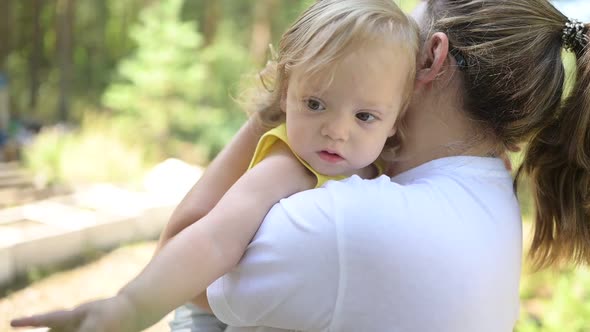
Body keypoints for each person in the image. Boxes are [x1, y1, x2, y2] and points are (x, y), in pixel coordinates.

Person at [11, 0, 420, 331]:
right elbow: (213, 240)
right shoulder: (287, 166)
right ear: (285, 93)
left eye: (364, 116)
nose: (335, 131)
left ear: (397, 119)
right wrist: (128, 307)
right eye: (315, 104)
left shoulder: (385, 167)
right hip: (210, 319)